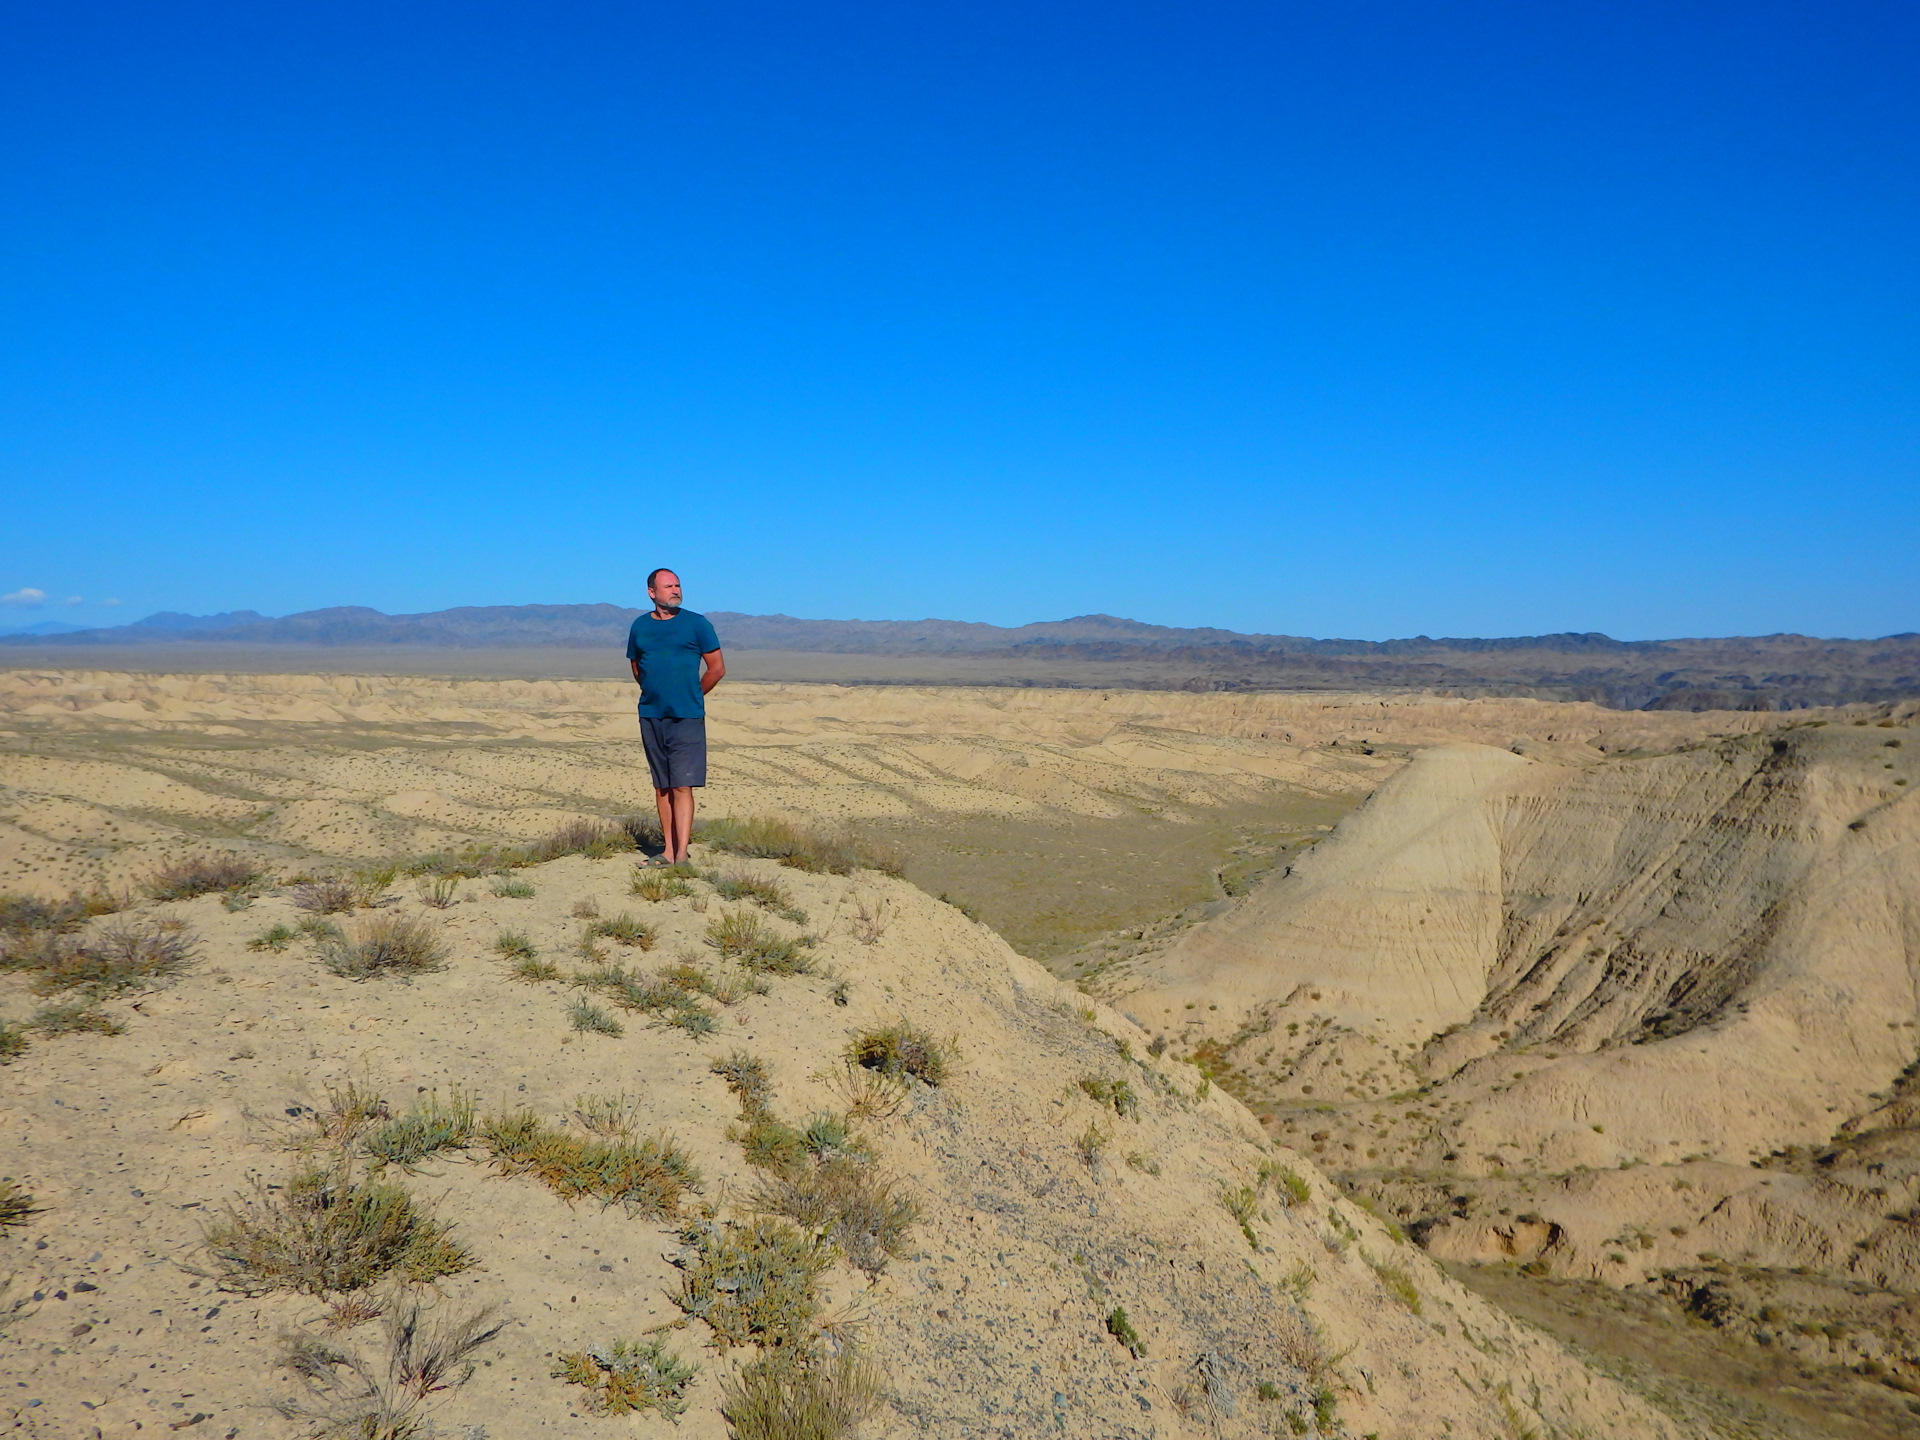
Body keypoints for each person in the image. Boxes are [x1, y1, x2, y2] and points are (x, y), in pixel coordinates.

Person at [625, 568, 724, 865]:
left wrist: (691, 695)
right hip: (652, 714)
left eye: (678, 585)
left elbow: (717, 668)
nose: (676, 590)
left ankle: (682, 855)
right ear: (652, 592)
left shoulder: (697, 624)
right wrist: (656, 692)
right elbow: (637, 667)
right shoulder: (640, 627)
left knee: (683, 785)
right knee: (662, 785)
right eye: (668, 586)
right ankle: (667, 851)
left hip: (687, 716)